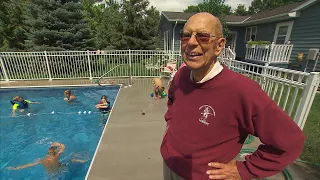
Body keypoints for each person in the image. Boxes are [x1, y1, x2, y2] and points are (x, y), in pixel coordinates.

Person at [161, 12, 305, 180]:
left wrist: (243, 169)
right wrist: (169, 127)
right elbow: (172, 100)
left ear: (219, 45)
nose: (192, 42)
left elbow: (291, 141)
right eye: (186, 36)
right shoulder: (181, 75)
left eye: (203, 36)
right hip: (169, 164)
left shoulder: (242, 90)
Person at [7, 142, 85, 173]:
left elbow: (28, 165)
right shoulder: (56, 157)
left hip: (51, 176)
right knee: (70, 160)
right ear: (55, 153)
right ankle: (80, 161)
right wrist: (58, 143)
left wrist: (15, 168)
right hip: (60, 170)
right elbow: (63, 147)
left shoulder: (41, 160)